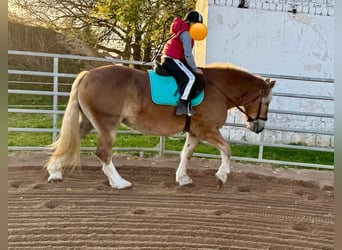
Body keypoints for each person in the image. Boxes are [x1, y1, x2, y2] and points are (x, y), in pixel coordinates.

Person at [161, 10, 204, 116]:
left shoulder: (183, 30)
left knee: (189, 75)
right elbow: (188, 54)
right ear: (190, 22)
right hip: (172, 59)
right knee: (191, 78)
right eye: (196, 24)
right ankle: (182, 105)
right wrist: (194, 68)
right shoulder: (186, 33)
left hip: (170, 58)